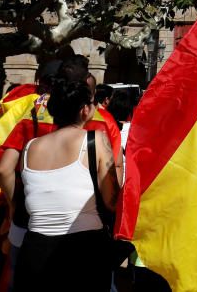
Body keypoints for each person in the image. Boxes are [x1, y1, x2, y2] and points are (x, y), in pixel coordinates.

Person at [12, 78, 118, 291]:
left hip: (35, 249)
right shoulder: (96, 139)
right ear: (84, 110)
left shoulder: (30, 147)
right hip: (83, 251)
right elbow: (111, 200)